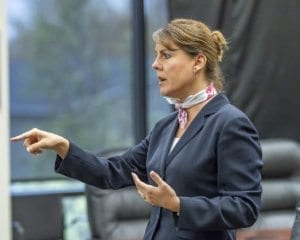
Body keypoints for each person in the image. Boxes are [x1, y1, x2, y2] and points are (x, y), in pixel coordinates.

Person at [11, 18, 263, 240]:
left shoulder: (230, 123)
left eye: (166, 55)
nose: (155, 64)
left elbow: (244, 207)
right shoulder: (166, 127)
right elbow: (114, 172)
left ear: (198, 61)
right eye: (156, 55)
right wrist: (63, 147)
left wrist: (178, 204)